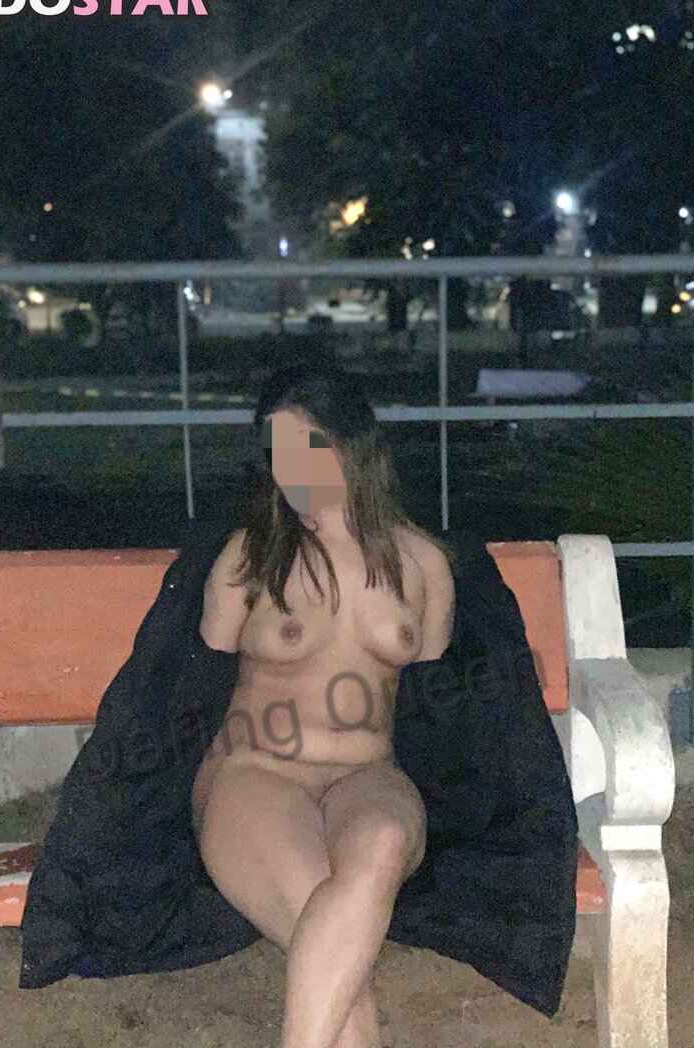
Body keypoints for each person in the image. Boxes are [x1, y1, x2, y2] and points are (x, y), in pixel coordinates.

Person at [190, 366, 457, 1048]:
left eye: (306, 449)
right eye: (277, 455)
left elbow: (439, 701)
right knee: (336, 937)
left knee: (383, 843)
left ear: (353, 446)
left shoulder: (423, 565)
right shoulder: (251, 557)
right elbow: (188, 678)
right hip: (257, 774)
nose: (291, 471)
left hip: (368, 775)